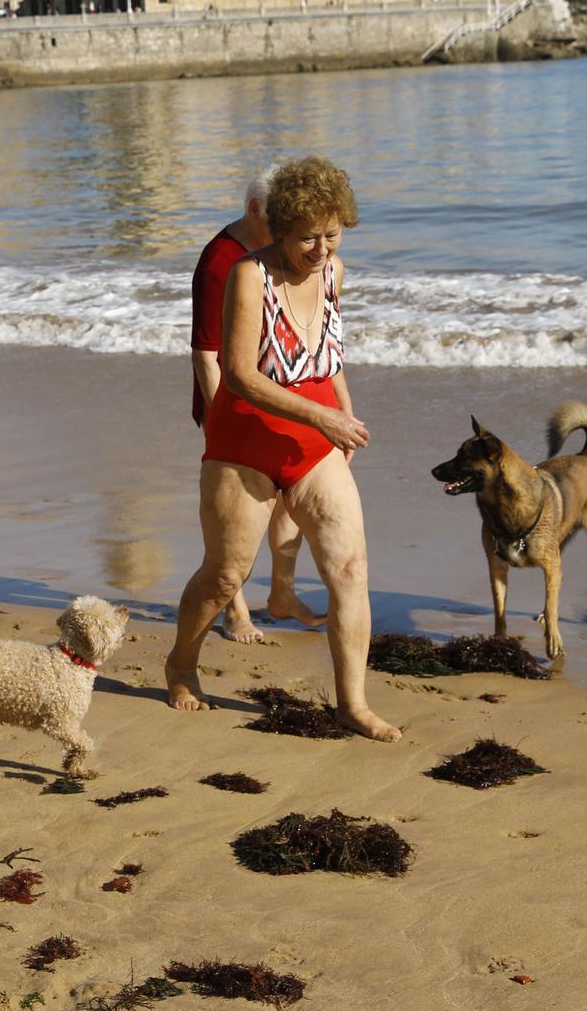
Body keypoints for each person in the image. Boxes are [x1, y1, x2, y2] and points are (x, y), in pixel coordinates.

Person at [167, 156, 399, 742]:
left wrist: (341, 413)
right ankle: (181, 664)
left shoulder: (334, 271)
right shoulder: (250, 275)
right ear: (279, 228)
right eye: (307, 239)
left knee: (349, 568)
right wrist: (324, 415)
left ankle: (352, 703)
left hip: (315, 440)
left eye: (332, 233)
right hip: (244, 440)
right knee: (225, 576)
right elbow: (240, 374)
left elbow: (330, 353)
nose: (322, 249)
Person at [191, 166, 326, 644]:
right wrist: (220, 426)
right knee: (238, 517)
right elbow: (208, 354)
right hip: (230, 402)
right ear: (254, 211)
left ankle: (283, 593)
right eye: (281, 220)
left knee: (288, 496)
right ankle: (236, 612)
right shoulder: (221, 262)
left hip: (279, 397)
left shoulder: (282, 255)